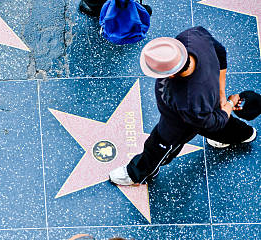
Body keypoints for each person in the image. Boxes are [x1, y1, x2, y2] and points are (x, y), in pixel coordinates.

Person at [110, 27, 257, 186]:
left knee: (159, 146)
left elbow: (215, 121)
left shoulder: (189, 101)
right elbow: (220, 52)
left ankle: (136, 173)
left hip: (178, 122)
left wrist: (228, 104)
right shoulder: (191, 37)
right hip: (207, 104)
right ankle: (245, 134)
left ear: (172, 74)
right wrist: (221, 93)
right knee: (211, 119)